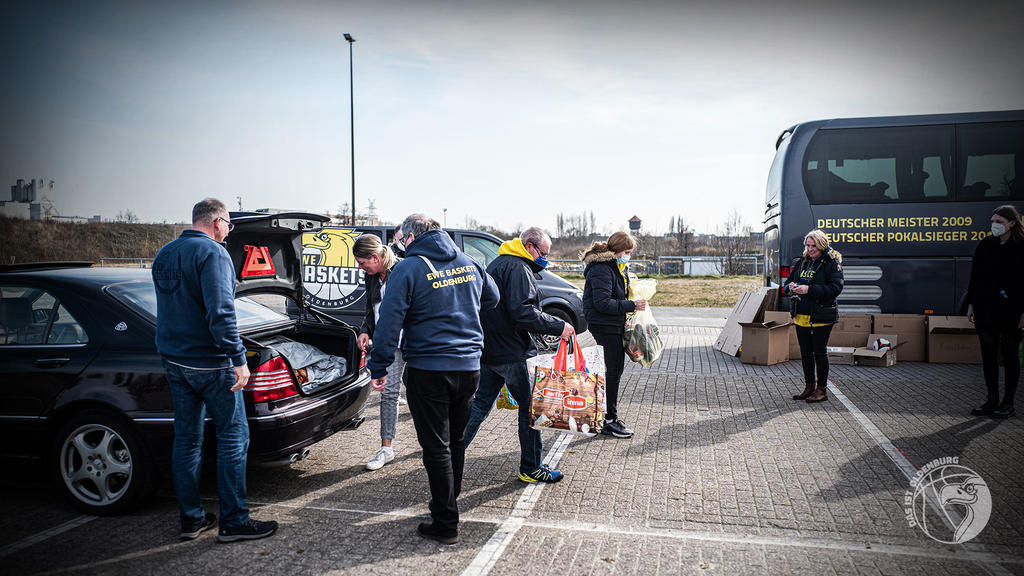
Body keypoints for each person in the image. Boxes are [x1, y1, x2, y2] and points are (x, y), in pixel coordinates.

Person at [366, 214, 499, 545]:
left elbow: (389, 323)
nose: (398, 243)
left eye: (400, 238)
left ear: (409, 238)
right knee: (455, 441)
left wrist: (379, 367)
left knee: (436, 447)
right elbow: (492, 299)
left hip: (429, 368)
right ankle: (448, 506)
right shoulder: (468, 261)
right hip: (469, 367)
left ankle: (445, 522)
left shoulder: (408, 269)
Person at [152, 198, 277, 543]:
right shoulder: (214, 254)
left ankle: (190, 520)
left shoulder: (164, 254)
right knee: (234, 438)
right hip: (211, 364)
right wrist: (239, 359)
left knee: (188, 440)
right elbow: (221, 314)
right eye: (229, 226)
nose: (229, 232)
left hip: (175, 361)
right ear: (218, 222)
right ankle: (235, 521)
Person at [464, 227, 575, 483]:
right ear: (529, 246)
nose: (544, 259)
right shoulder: (517, 268)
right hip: (510, 351)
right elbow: (522, 311)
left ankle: (451, 454)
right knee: (529, 409)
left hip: (490, 348)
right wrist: (559, 326)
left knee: (480, 403)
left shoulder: (500, 262)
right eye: (543, 253)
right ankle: (531, 467)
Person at [580, 231, 647, 438]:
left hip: (611, 323)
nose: (629, 255)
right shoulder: (602, 269)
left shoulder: (614, 266)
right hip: (604, 324)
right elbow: (602, 302)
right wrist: (631, 305)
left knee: (614, 369)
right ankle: (609, 420)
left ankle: (607, 414)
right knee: (614, 369)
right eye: (627, 252)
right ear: (617, 251)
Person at [966, 204, 1024, 419]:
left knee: (1009, 355)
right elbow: (975, 278)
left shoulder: (1021, 246)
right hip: (985, 309)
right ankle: (992, 399)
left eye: (999, 222)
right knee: (988, 356)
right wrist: (971, 305)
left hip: (1012, 311)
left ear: (1012, 223)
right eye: (993, 221)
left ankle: (1008, 402)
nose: (994, 226)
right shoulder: (986, 245)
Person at [354, 234, 407, 470]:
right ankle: (386, 448)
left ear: (375, 257)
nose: (360, 267)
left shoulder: (404, 270)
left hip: (414, 343)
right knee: (389, 393)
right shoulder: (372, 276)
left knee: (423, 394)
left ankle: (436, 444)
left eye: (363, 262)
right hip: (389, 345)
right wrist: (366, 330)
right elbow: (371, 307)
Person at [784, 229, 844, 404]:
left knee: (819, 353)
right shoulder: (801, 262)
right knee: (806, 354)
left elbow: (836, 288)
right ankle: (809, 386)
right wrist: (792, 287)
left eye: (814, 246)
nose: (810, 250)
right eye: (808, 245)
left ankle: (822, 389)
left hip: (822, 316)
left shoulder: (831, 263)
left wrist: (809, 289)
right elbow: (787, 284)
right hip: (802, 315)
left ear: (822, 245)